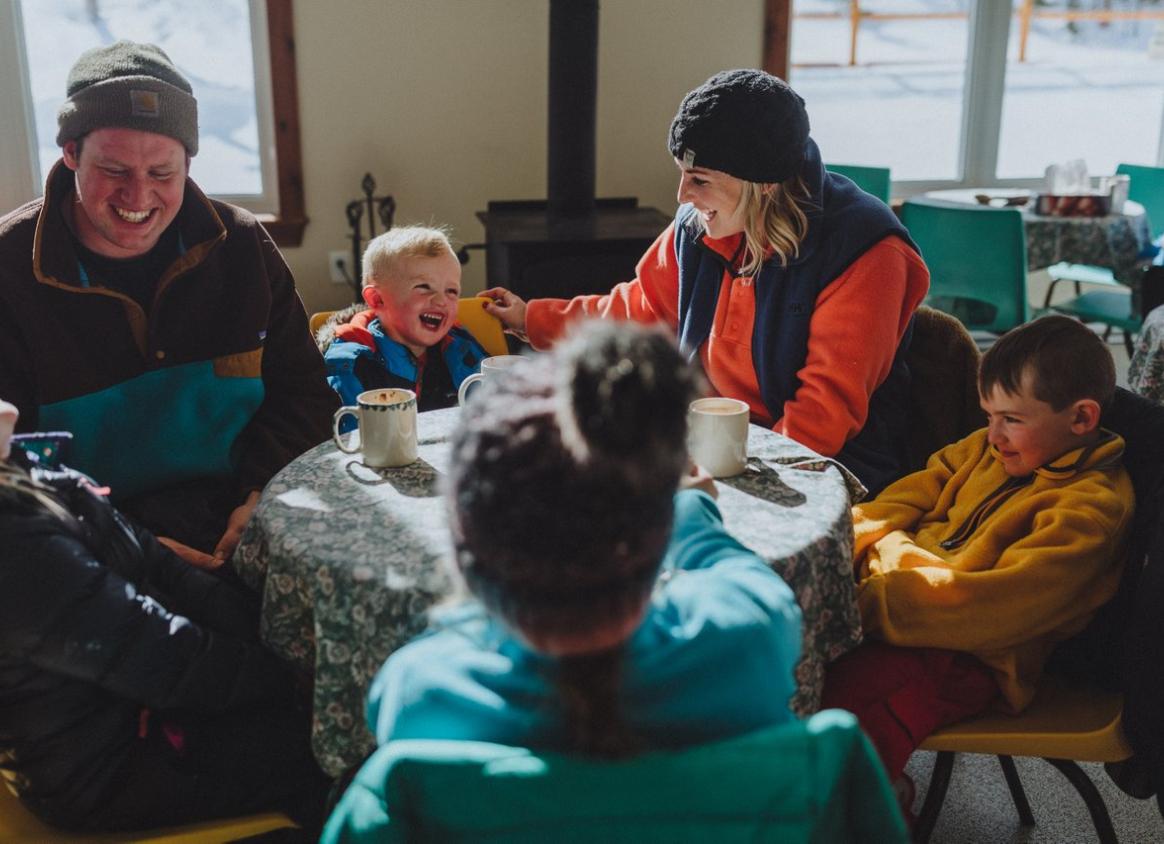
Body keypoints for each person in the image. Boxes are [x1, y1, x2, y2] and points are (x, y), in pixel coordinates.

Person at [363, 321, 803, 755]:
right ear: (652, 541)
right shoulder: (749, 642)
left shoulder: (418, 693)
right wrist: (689, 511)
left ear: (467, 550)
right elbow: (746, 579)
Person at [482, 69, 930, 494]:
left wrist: (736, 483)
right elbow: (637, 310)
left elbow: (822, 414)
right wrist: (530, 318)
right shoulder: (699, 224)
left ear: (764, 184)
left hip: (822, 465)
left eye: (699, 180)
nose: (682, 196)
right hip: (713, 443)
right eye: (682, 174)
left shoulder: (866, 250)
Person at [0, 41, 338, 570]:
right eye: (114, 170)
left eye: (163, 174)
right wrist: (125, 545)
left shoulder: (243, 245)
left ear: (189, 162)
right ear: (70, 153)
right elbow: (10, 466)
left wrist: (260, 498)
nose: (138, 198)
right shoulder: (8, 270)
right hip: (86, 543)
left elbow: (302, 392)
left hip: (244, 515)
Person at [821, 315, 1134, 796]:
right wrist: (841, 551)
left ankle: (869, 809)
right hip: (899, 606)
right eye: (989, 416)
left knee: (846, 709)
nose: (992, 435)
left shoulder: (1089, 512)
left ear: (1081, 419)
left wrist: (864, 603)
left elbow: (992, 608)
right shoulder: (986, 451)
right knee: (784, 665)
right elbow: (903, 500)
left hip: (974, 658)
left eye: (1011, 419)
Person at [0, 397, 330, 835]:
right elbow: (165, 658)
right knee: (335, 748)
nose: (8, 409)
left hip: (134, 706)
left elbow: (166, 570)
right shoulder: (16, 551)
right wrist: (293, 678)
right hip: (107, 767)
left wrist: (279, 648)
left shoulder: (33, 474)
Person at [317, 225, 487, 420]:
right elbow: (349, 436)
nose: (441, 301)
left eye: (452, 291)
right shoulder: (350, 364)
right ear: (377, 300)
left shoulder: (460, 346)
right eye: (424, 287)